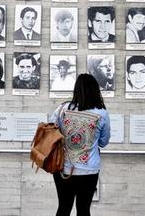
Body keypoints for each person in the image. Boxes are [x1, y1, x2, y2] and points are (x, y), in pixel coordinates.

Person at [48, 73, 110, 216]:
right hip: (89, 170)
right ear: (96, 90)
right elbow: (103, 142)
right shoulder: (102, 113)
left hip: (64, 169)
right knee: (83, 210)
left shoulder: (62, 109)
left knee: (63, 208)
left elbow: (51, 132)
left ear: (76, 90)